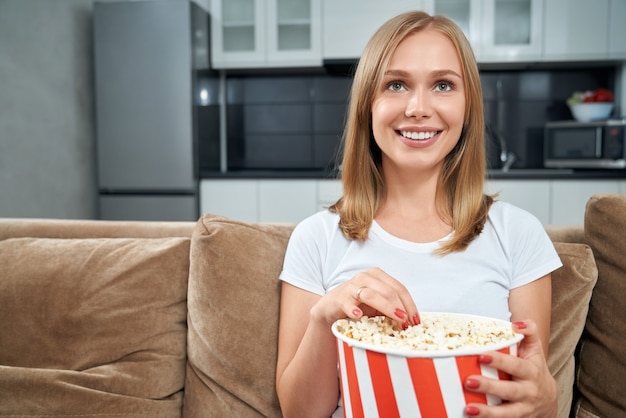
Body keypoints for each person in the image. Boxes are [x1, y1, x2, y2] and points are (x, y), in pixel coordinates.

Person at [276, 10, 561, 418]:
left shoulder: (519, 235)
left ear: (468, 107)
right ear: (367, 107)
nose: (418, 108)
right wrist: (325, 318)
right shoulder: (315, 238)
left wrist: (546, 402)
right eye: (396, 84)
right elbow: (300, 413)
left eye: (443, 85)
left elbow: (528, 393)